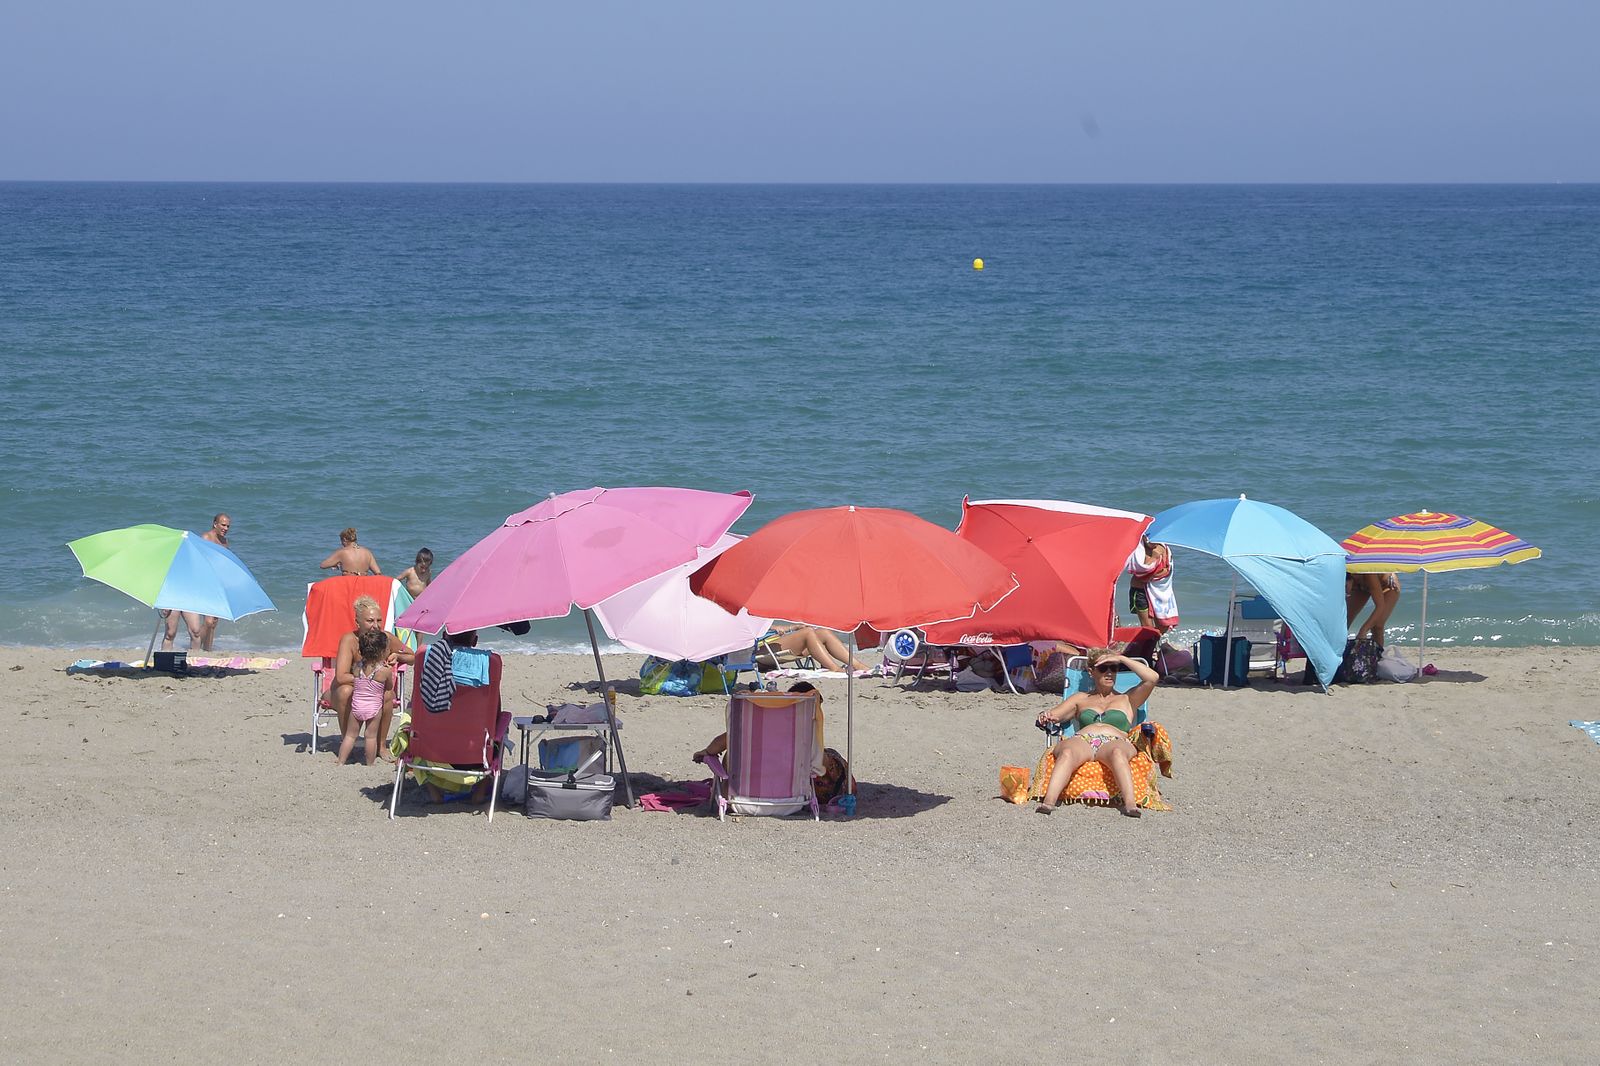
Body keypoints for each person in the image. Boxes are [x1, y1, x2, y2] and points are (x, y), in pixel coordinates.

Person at [1033, 648, 1160, 818]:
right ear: (1091, 672)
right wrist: (1045, 717)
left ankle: (1130, 805)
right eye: (1103, 668)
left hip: (1115, 741)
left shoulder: (1128, 699)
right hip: (1083, 740)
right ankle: (1048, 803)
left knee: (1117, 753)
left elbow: (1153, 678)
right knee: (1067, 752)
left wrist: (1121, 658)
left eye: (1113, 668)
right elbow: (1054, 715)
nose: (1109, 673)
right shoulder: (1080, 698)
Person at [691, 682, 852, 805]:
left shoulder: (757, 729)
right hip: (811, 792)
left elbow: (720, 743)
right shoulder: (804, 733)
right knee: (822, 753)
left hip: (749, 792)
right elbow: (820, 764)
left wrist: (706, 752)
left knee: (736, 748)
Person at [416, 628, 495, 804]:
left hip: (431, 754)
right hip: (476, 757)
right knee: (498, 728)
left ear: (444, 636)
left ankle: (434, 791)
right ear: (475, 641)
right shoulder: (489, 666)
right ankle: (479, 792)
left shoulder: (429, 662)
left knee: (410, 719)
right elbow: (495, 716)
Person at [331, 595, 416, 754]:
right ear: (358, 622)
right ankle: (348, 741)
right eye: (370, 621)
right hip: (344, 690)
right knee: (345, 691)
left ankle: (381, 746)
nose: (375, 626)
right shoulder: (349, 640)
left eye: (379, 620)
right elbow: (341, 677)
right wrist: (369, 679)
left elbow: (412, 657)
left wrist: (398, 656)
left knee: (387, 695)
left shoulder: (386, 638)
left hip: (371, 693)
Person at [336, 627, 394, 766]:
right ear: (382, 652)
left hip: (357, 706)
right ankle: (369, 763)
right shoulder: (384, 671)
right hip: (374, 708)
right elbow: (389, 687)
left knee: (350, 736)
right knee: (370, 737)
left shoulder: (357, 667)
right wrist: (386, 668)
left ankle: (340, 761)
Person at [758, 624, 871, 672]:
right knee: (807, 633)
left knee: (823, 632)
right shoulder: (743, 608)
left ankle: (857, 665)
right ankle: (835, 669)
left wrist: (794, 627)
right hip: (757, 649)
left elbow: (767, 626)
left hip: (770, 643)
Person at [1126, 537, 1178, 634]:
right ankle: (1149, 646)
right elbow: (1140, 574)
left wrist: (1153, 568)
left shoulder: (1164, 549)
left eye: (1155, 538)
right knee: (1147, 628)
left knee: (1163, 626)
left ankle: (1151, 644)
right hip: (1139, 592)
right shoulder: (1138, 550)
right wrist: (1153, 558)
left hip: (1160, 592)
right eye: (1148, 538)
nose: (1151, 541)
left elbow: (1166, 571)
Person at [196, 513, 230, 651]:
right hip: (206, 582)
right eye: (223, 525)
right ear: (215, 524)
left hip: (219, 583)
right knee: (209, 621)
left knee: (214, 621)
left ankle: (208, 650)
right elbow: (198, 560)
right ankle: (196, 647)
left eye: (228, 526)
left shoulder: (225, 542)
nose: (225, 528)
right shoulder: (206, 538)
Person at [1347, 572, 1401, 647]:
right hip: (1361, 585)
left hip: (1387, 585)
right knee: (1345, 620)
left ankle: (1378, 654)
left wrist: (1363, 631)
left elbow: (1380, 606)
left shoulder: (1369, 574)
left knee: (1377, 625)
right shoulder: (1342, 573)